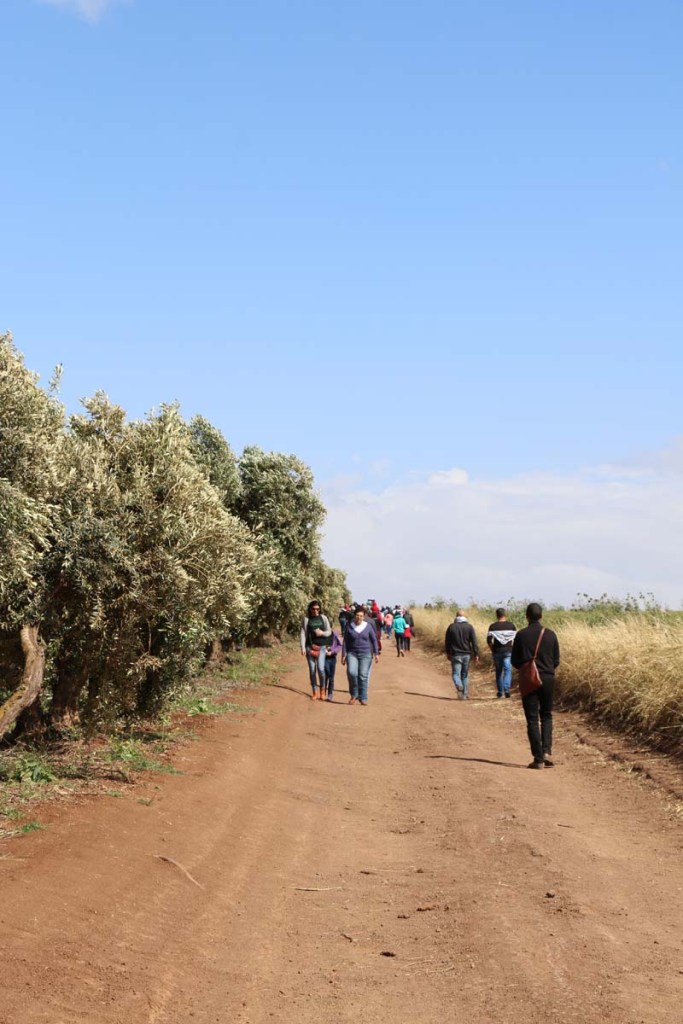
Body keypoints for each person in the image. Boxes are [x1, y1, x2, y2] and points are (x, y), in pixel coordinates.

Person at [511, 603, 560, 769]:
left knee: (532, 719)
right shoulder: (551, 634)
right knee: (546, 715)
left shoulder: (521, 635)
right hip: (548, 678)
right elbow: (556, 660)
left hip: (529, 679)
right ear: (541, 616)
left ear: (526, 616)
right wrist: (546, 669)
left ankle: (538, 759)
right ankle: (546, 752)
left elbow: (514, 661)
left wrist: (528, 669)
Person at [342, 605, 379, 705]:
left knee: (363, 675)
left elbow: (374, 640)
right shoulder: (350, 626)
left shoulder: (368, 626)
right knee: (352, 673)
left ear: (364, 616)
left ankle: (363, 697)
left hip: (365, 654)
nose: (359, 617)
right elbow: (345, 641)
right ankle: (354, 694)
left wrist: (376, 653)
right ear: (354, 616)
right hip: (352, 653)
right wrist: (343, 654)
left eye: (361, 616)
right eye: (357, 615)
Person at [300, 600, 332, 700]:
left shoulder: (323, 618)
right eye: (313, 609)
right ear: (310, 609)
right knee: (312, 670)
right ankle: (314, 691)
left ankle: (322, 690)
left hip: (321, 647)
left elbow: (329, 631)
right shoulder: (306, 619)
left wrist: (322, 633)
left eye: (317, 609)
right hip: (309, 647)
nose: (315, 611)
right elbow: (303, 633)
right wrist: (302, 647)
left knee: (321, 669)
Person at [444, 610, 479, 699]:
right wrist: (476, 653)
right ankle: (464, 694)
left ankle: (459, 685)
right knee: (465, 674)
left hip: (455, 654)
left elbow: (447, 641)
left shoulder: (451, 627)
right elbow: (474, 642)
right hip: (466, 654)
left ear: (456, 616)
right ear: (465, 617)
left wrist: (448, 652)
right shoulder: (469, 627)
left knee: (456, 673)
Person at [486, 607, 517, 698]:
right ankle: (506, 689)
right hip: (508, 651)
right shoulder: (511, 626)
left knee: (499, 671)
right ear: (505, 615)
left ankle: (500, 691)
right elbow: (516, 639)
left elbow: (489, 640)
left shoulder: (493, 626)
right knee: (508, 670)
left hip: (497, 651)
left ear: (497, 615)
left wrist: (492, 649)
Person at [324, 629, 343, 701]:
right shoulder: (322, 634)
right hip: (324, 658)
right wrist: (324, 651)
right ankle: (323, 692)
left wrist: (333, 652)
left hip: (332, 658)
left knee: (331, 677)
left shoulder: (335, 635)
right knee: (326, 675)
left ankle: (330, 693)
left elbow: (340, 645)